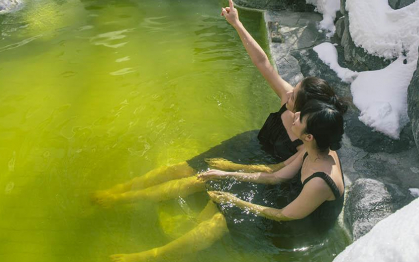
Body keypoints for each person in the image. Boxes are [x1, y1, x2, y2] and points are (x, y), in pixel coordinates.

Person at [91, 0, 340, 204]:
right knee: (183, 167)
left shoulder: (307, 141)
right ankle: (120, 189)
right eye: (292, 88)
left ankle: (120, 201)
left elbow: (276, 172)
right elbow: (263, 62)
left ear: (305, 112)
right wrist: (237, 23)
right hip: (250, 143)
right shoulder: (289, 101)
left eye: (294, 95)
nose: (287, 92)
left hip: (259, 167)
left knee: (193, 182)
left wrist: (229, 168)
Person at [109, 98, 348, 262]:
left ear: (308, 135)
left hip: (298, 228)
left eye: (300, 118)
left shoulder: (320, 181)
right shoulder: (312, 148)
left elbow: (284, 215)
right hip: (290, 197)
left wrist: (234, 201)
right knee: (217, 193)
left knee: (221, 219)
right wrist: (227, 173)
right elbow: (276, 176)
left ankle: (154, 255)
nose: (293, 116)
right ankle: (182, 231)